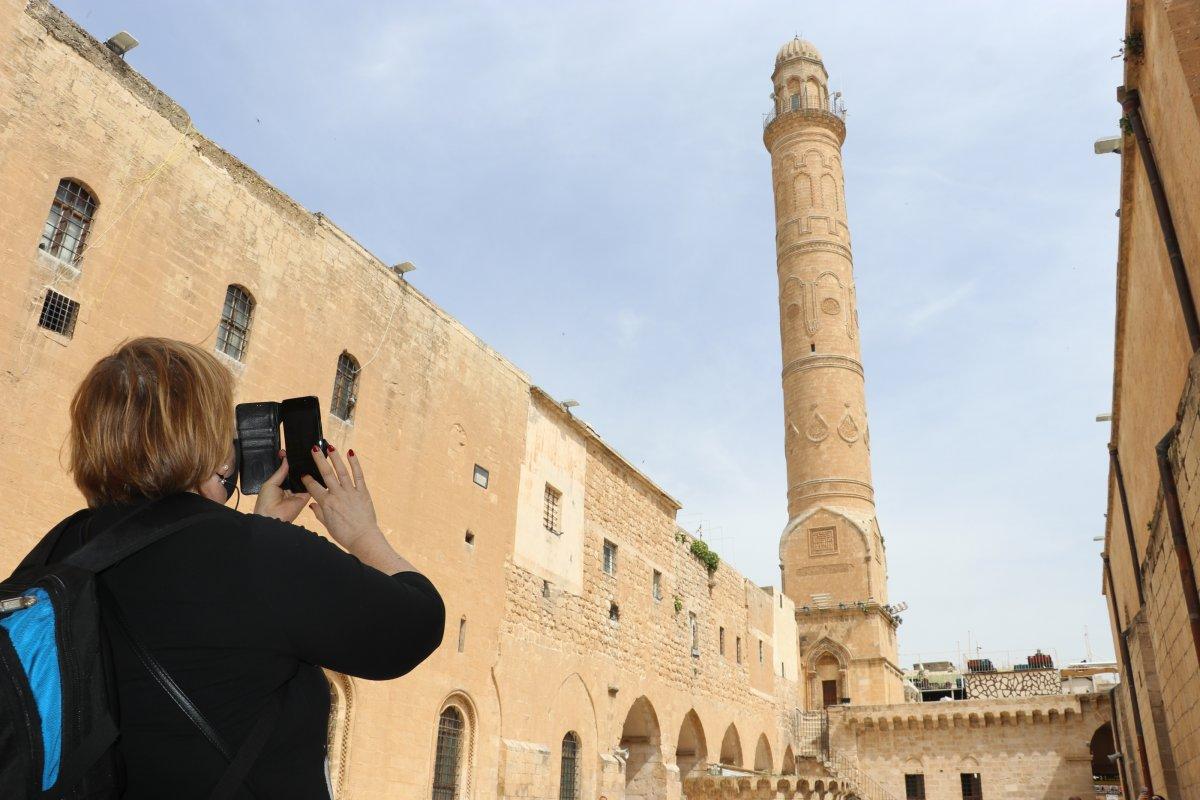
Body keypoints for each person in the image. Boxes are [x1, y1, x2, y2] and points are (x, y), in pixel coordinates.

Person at [23, 337, 445, 798]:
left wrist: (257, 531)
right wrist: (363, 535)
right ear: (201, 440)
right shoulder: (254, 554)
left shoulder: (56, 549)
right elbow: (415, 624)